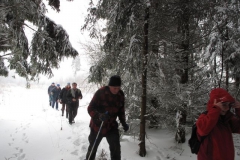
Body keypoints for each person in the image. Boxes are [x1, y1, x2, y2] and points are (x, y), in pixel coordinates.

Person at [85, 75, 129, 160]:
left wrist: (123, 123)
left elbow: (121, 110)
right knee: (92, 149)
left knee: (116, 149)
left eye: (118, 88)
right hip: (97, 126)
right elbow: (90, 108)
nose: (116, 90)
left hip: (111, 126)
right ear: (109, 86)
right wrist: (98, 115)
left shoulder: (120, 94)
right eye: (114, 88)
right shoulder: (101, 93)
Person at [196, 88, 240, 160]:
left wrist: (239, 109)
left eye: (229, 105)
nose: (227, 108)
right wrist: (215, 109)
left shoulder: (227, 119)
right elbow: (203, 130)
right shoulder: (204, 117)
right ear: (215, 104)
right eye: (224, 104)